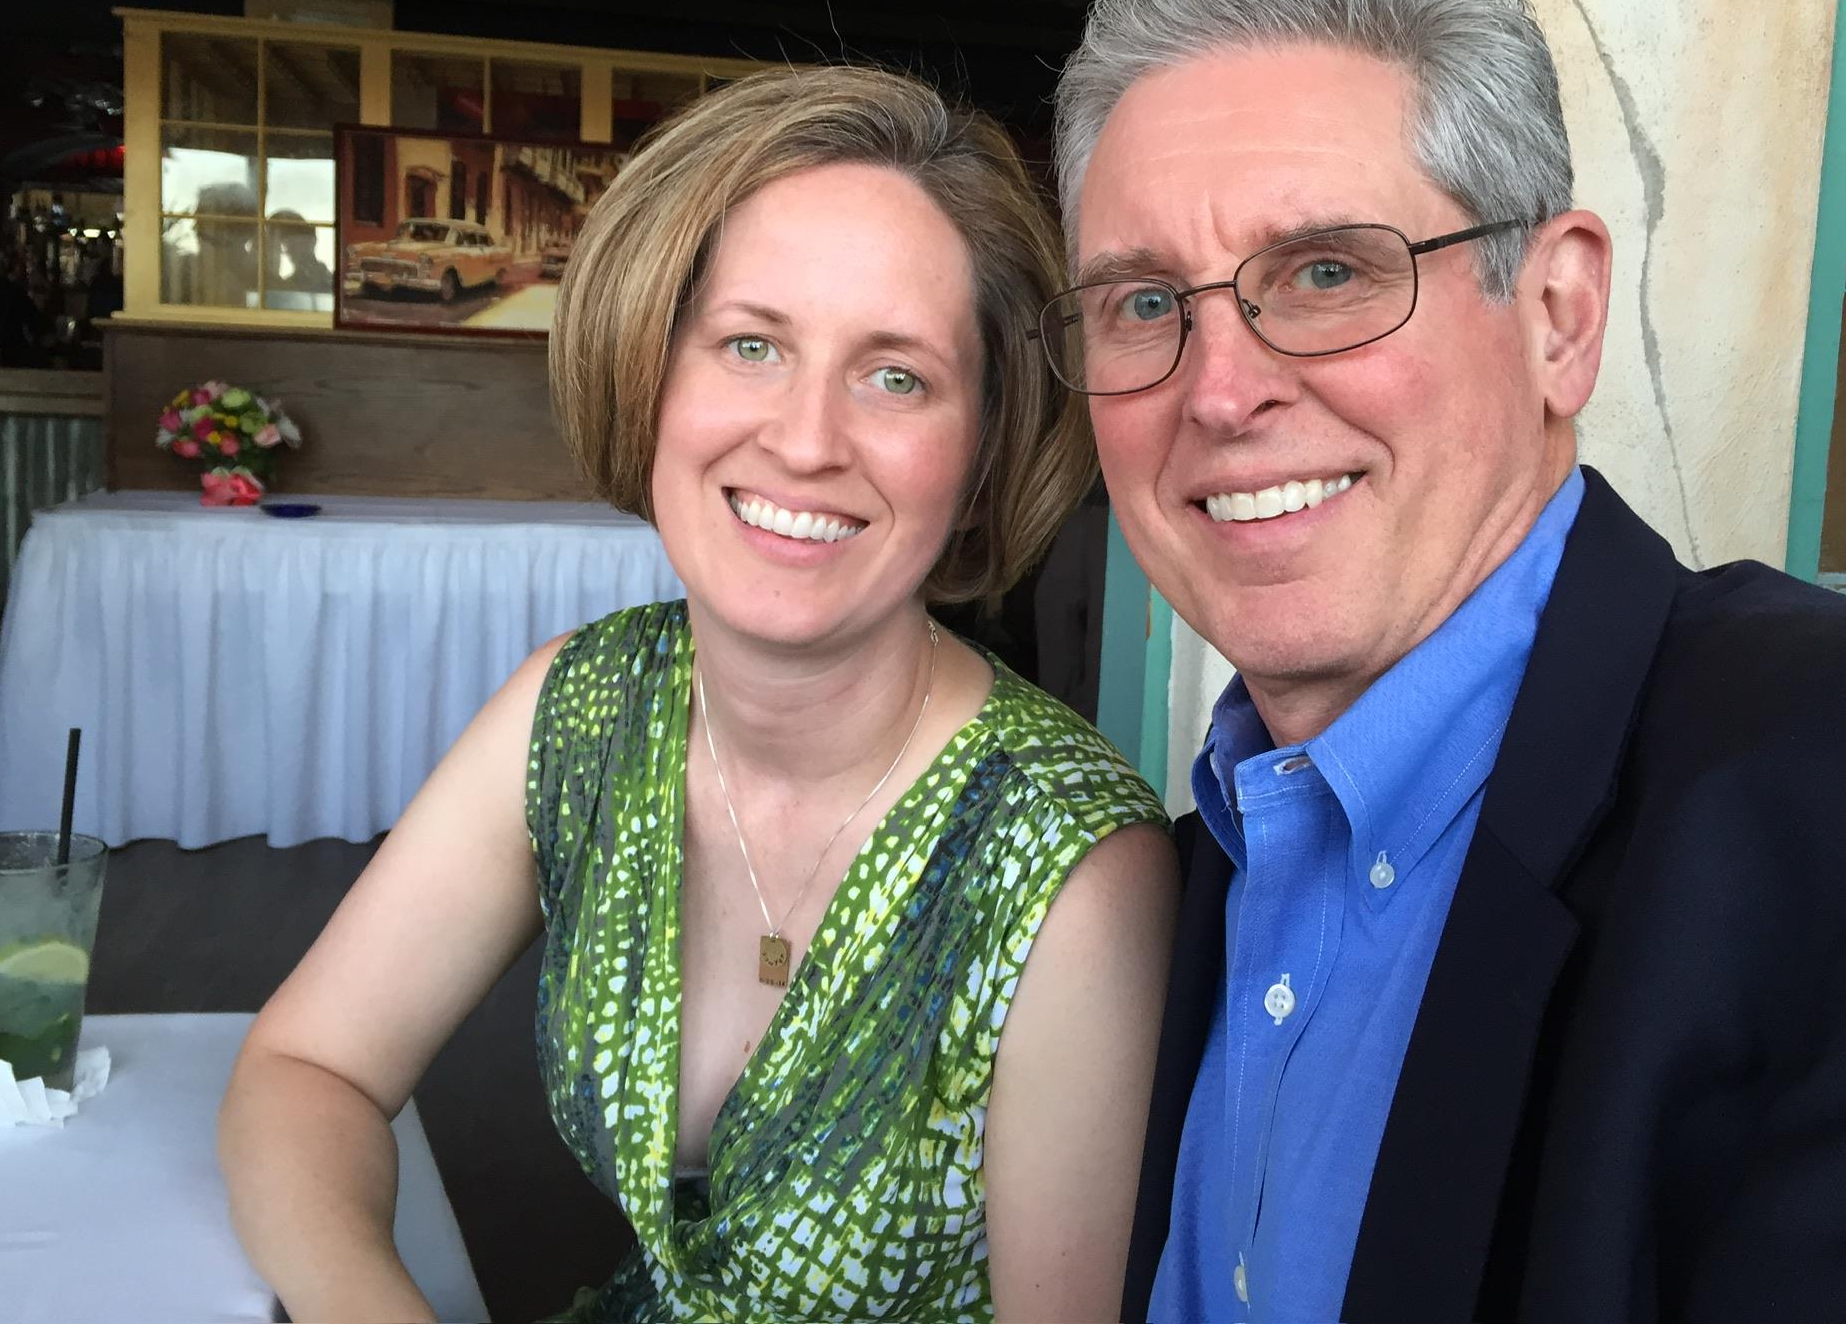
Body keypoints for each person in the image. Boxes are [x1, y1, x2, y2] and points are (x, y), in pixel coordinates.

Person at [1041, 0, 1846, 1322]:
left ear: (1557, 314)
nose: (1221, 392)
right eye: (1142, 304)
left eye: (1326, 273)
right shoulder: (1170, 891)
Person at [218, 65, 1177, 1323]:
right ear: (651, 375)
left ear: (981, 454)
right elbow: (308, 1067)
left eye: (895, 375)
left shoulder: (1068, 863)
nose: (804, 439)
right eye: (750, 344)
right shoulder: (585, 706)